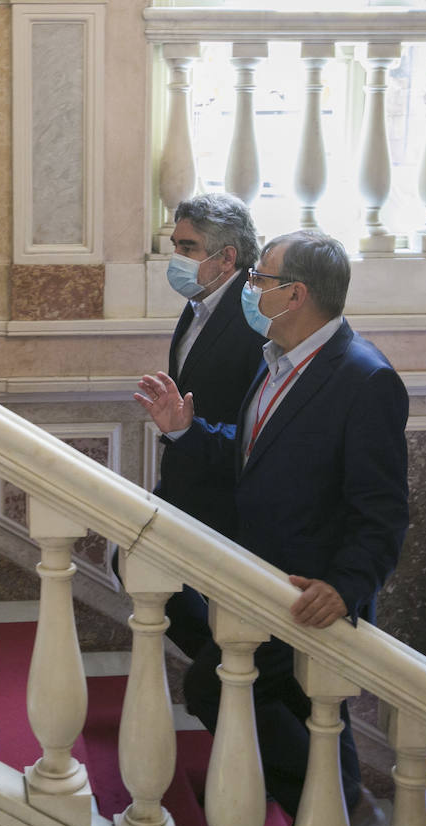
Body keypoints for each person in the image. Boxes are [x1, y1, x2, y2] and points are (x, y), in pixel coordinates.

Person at [134, 229, 408, 826]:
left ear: (297, 295)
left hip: (304, 592)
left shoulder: (364, 379)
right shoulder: (275, 362)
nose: (250, 290)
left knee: (213, 685)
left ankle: (334, 801)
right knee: (306, 708)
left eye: (261, 280)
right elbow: (254, 453)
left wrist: (345, 586)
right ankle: (336, 807)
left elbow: (383, 509)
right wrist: (187, 430)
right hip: (255, 575)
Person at [149, 193, 265, 658]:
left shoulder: (254, 316)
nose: (176, 257)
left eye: (188, 247)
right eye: (175, 244)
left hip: (226, 496)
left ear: (226, 257)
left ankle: (217, 670)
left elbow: (259, 427)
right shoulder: (200, 301)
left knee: (233, 626)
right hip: (187, 481)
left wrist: (186, 432)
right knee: (134, 559)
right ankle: (216, 668)